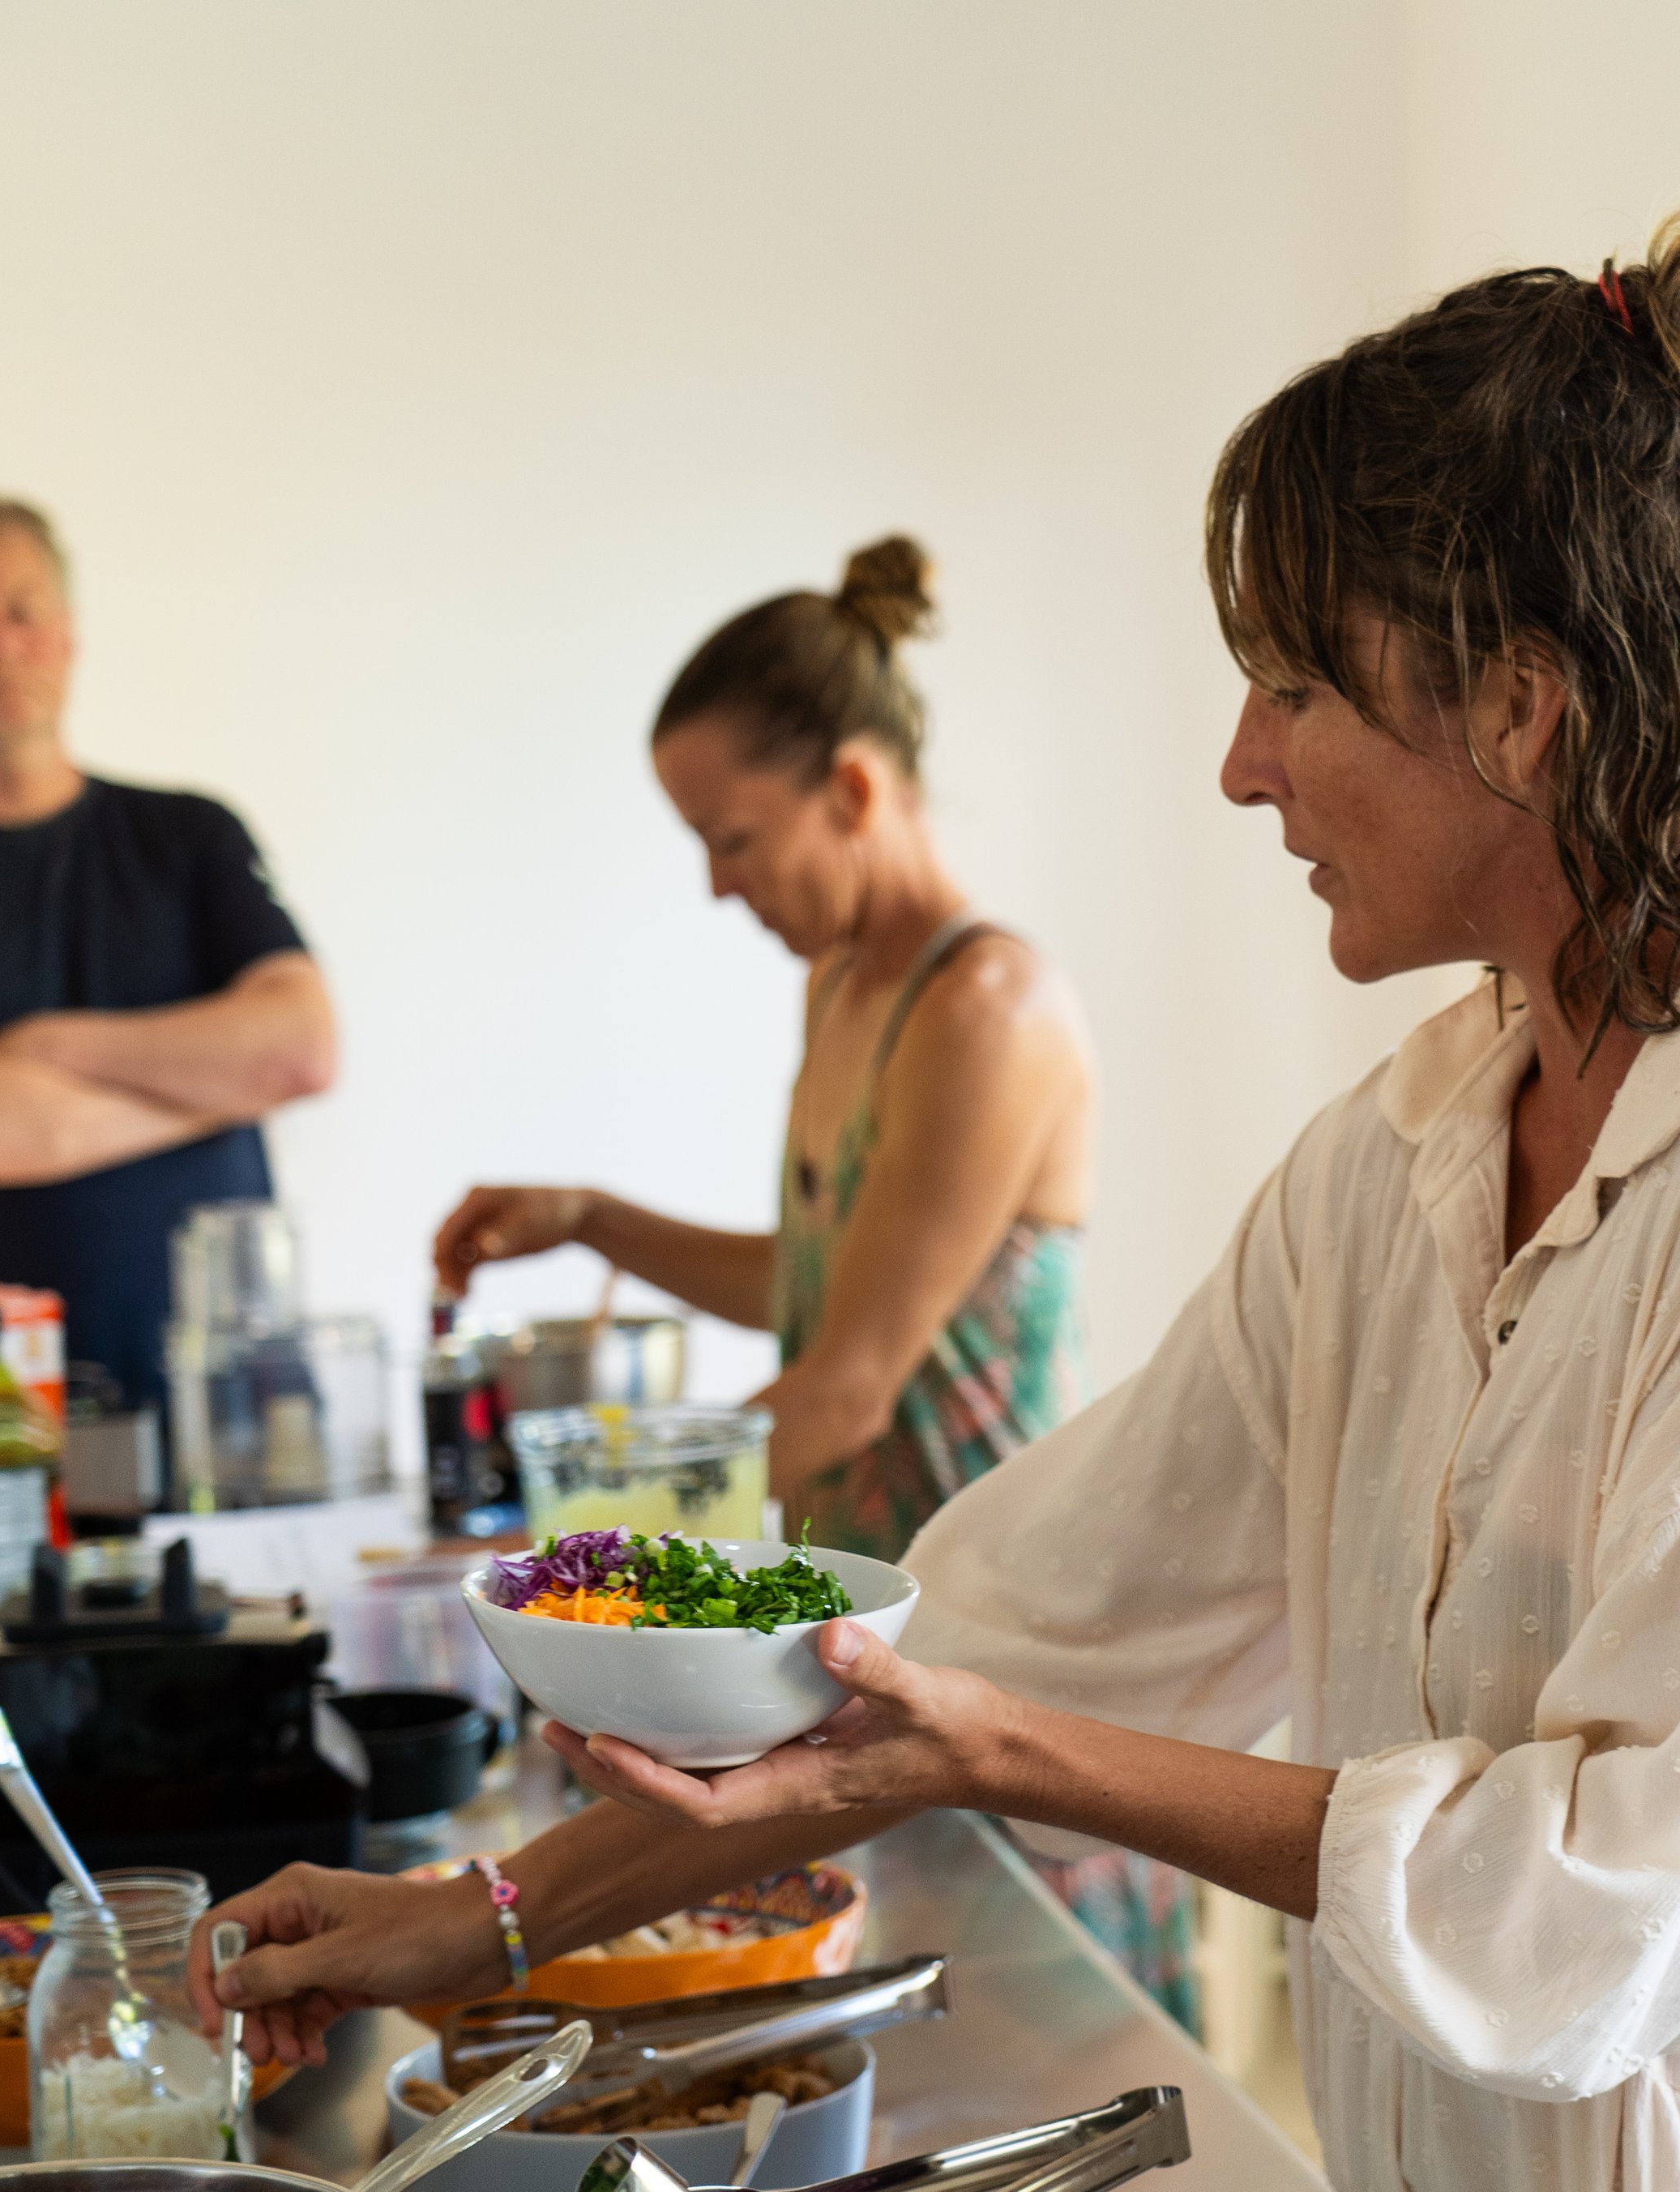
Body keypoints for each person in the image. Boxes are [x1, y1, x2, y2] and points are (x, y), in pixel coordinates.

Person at [199, 214, 1680, 2192]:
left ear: (1520, 692)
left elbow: (1610, 1897)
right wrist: (477, 1926)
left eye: (1293, 687)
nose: (1243, 772)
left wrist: (996, 1740)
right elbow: (989, 1631)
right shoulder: (1406, 1152)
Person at [432, 537, 1197, 2024]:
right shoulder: (847, 986)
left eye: (733, 837)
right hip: (863, 1650)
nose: (722, 887)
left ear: (851, 789)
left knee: (1040, 2074)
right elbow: (824, 1282)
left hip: (1001, 1631)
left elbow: (847, 1390)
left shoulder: (989, 1004)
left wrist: (603, 1606)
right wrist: (593, 1216)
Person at [0, 495, 336, 1415]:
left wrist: (49, 1045)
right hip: (4, 1424)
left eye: (22, 611)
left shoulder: (190, 836)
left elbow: (300, 1047)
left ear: (67, 633)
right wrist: (216, 1088)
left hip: (233, 1405)